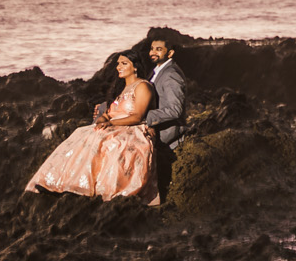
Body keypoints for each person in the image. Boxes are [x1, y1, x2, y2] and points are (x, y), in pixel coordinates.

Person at [24, 52, 159, 204]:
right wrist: (103, 118)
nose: (118, 67)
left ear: (135, 67)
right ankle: (62, 183)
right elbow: (111, 114)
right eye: (118, 63)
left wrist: (111, 123)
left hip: (132, 128)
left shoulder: (143, 86)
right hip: (114, 125)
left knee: (107, 141)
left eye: (124, 63)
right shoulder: (122, 89)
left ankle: (90, 190)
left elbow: (137, 116)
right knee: (81, 133)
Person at [142, 37, 187, 200]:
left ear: (170, 52)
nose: (153, 52)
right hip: (156, 123)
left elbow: (175, 110)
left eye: (158, 49)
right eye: (152, 48)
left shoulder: (171, 75)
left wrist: (145, 118)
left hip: (168, 130)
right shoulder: (157, 70)